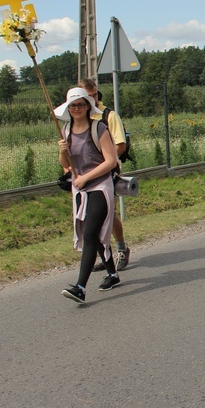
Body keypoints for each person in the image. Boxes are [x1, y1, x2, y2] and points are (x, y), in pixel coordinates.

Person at [56, 87, 121, 303]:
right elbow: (66, 165)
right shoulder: (66, 131)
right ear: (68, 108)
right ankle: (112, 274)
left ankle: (80, 287)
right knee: (94, 232)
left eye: (81, 104)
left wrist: (86, 177)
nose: (77, 108)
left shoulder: (99, 127)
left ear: (87, 106)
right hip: (80, 189)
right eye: (73, 105)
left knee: (91, 233)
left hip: (100, 186)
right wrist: (62, 152)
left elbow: (110, 161)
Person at [78, 78, 133, 272]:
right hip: (84, 175)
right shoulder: (78, 116)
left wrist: (102, 164)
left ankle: (121, 248)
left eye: (92, 97)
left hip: (106, 172)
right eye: (86, 98)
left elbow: (120, 145)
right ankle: (106, 254)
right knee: (91, 215)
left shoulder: (108, 116)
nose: (90, 101)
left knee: (108, 214)